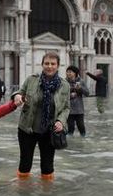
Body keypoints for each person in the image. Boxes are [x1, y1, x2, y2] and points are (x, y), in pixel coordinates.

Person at [12, 51, 70, 181]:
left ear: (58, 65)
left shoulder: (64, 85)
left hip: (49, 131)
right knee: (25, 164)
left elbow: (66, 107)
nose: (49, 66)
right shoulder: (31, 80)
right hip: (27, 129)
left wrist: (61, 121)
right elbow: (20, 92)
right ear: (42, 64)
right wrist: (17, 96)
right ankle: (23, 192)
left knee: (47, 166)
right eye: (47, 63)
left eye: (53, 64)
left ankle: (47, 195)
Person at [65, 66, 89, 137]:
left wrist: (80, 88)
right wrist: (70, 95)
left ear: (75, 73)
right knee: (70, 128)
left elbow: (87, 93)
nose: (68, 73)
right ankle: (70, 146)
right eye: (67, 71)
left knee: (81, 127)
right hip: (68, 109)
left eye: (70, 72)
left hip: (79, 110)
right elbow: (60, 95)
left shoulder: (81, 81)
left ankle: (83, 143)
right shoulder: (64, 82)